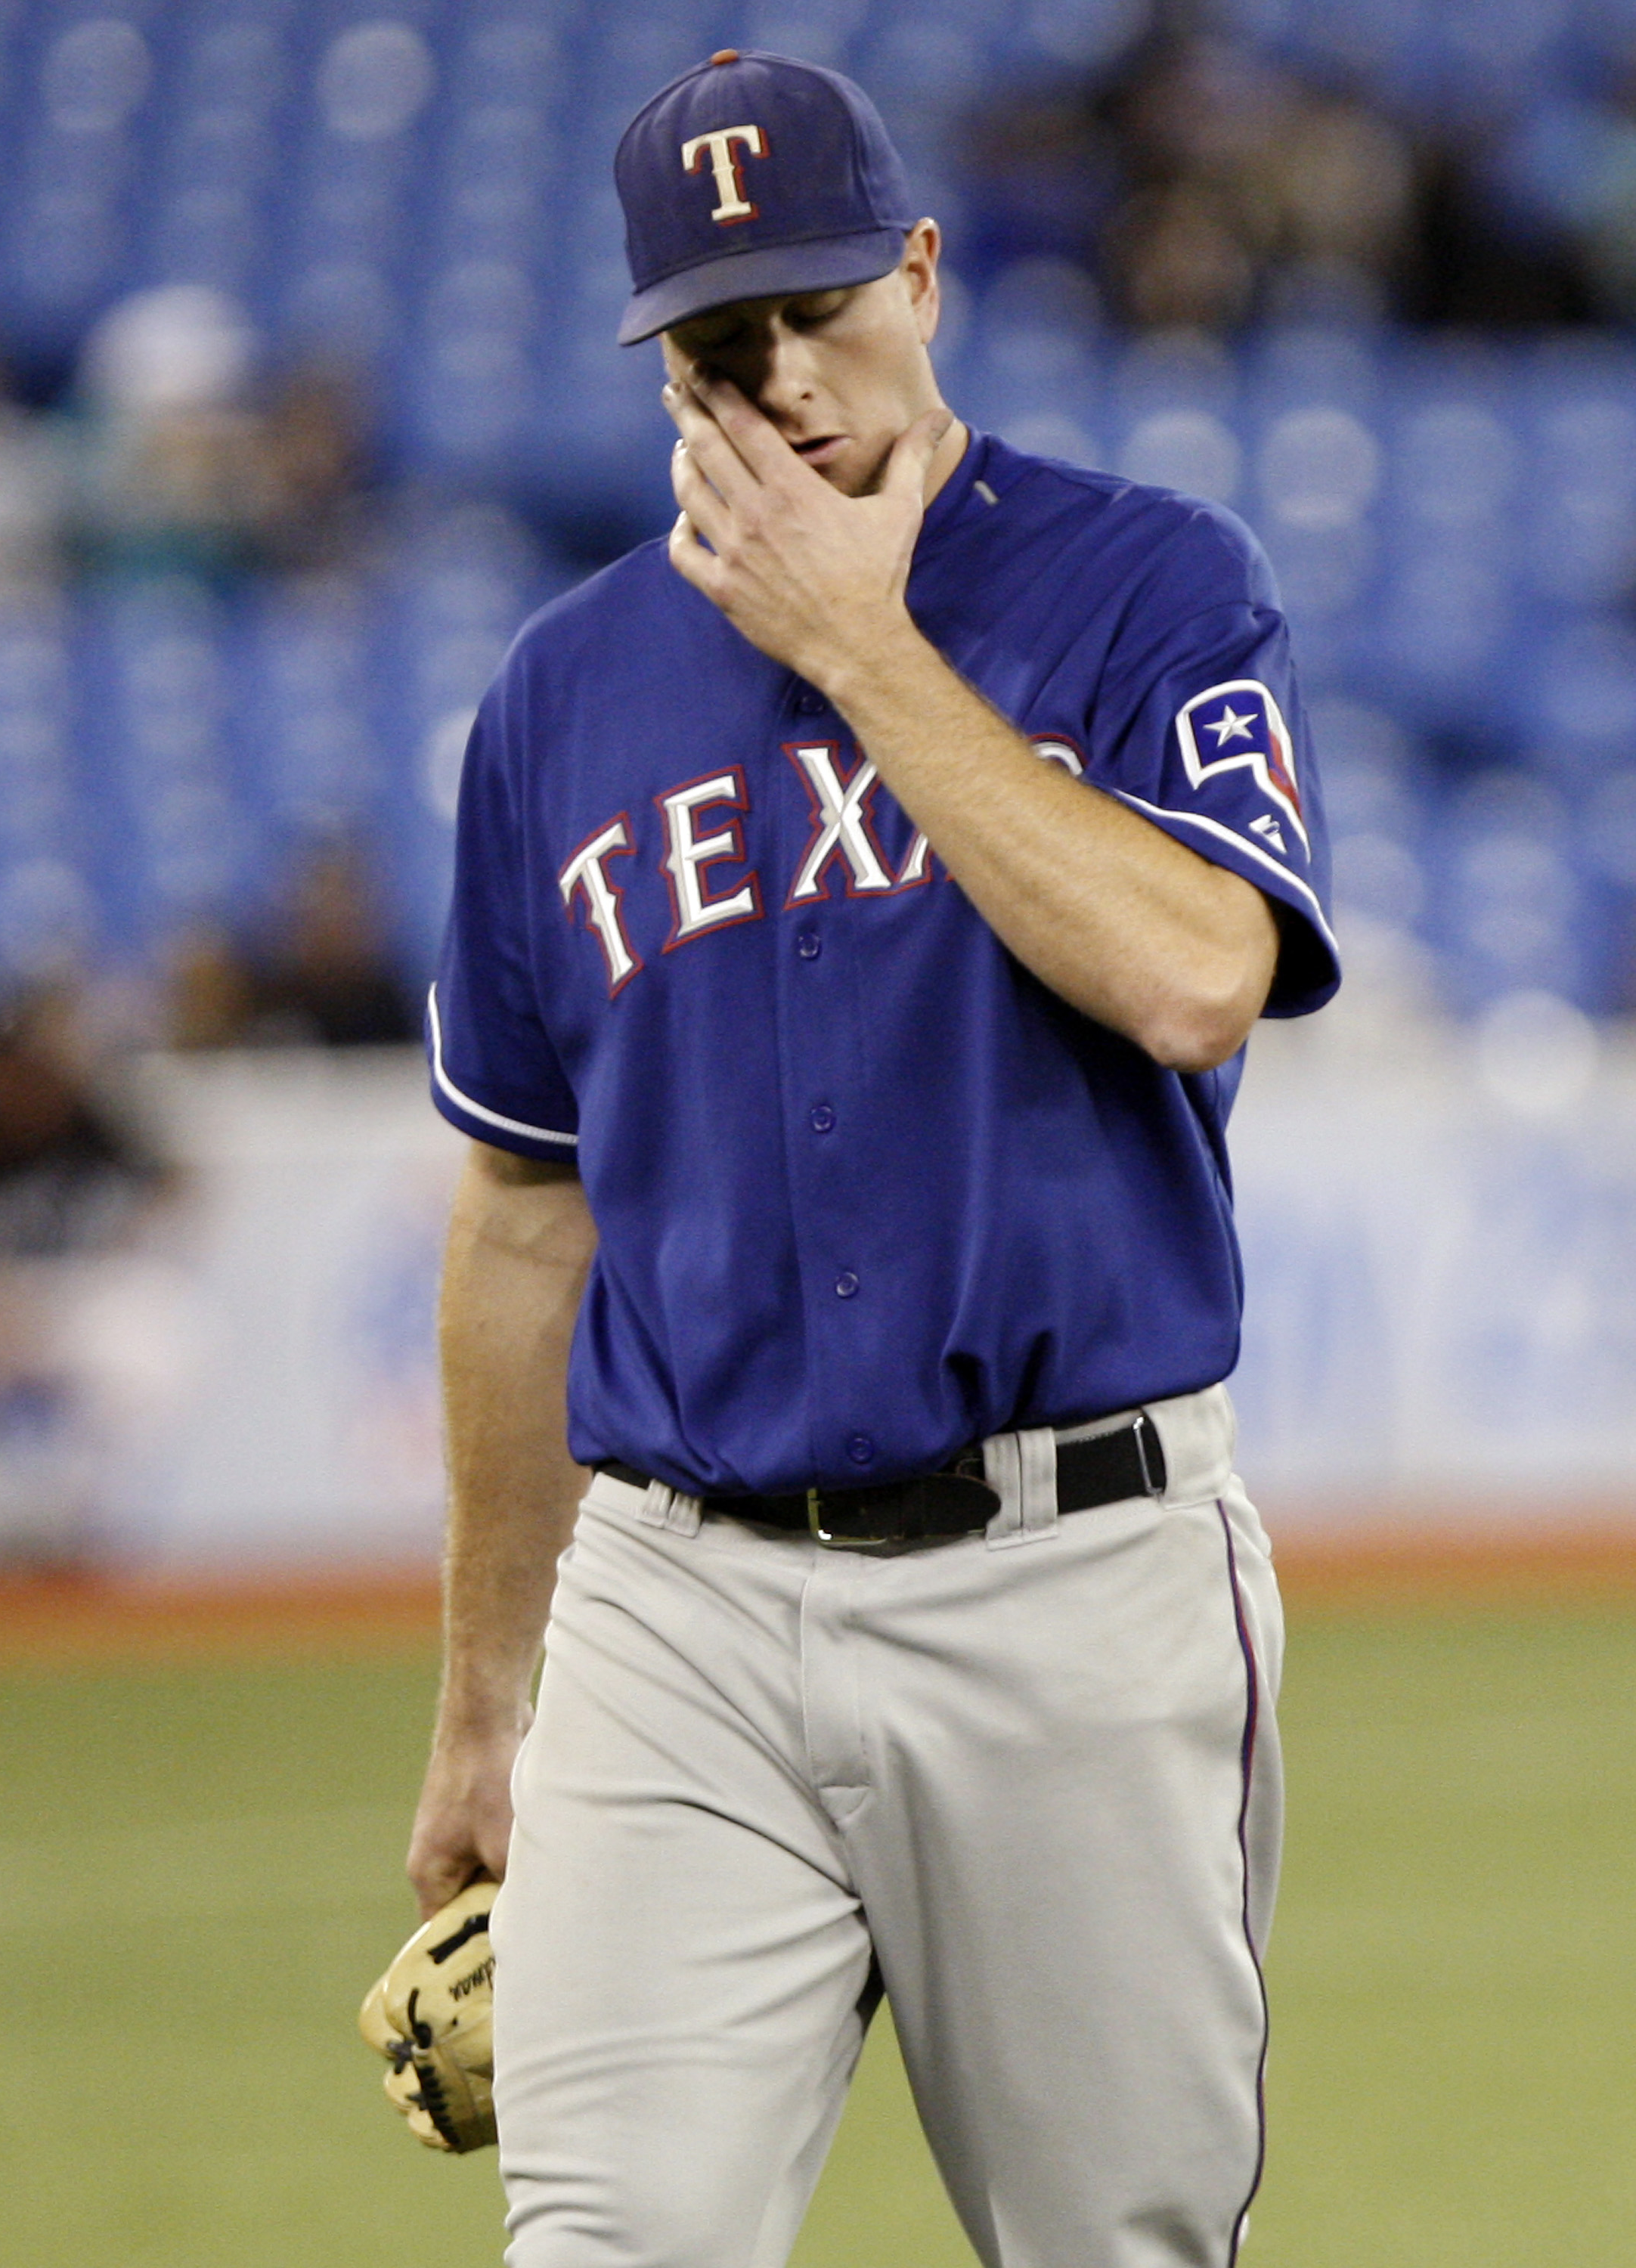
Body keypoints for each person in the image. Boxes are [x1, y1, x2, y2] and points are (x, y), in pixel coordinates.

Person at [407, 48, 1340, 2268]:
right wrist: (482, 1699)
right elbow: (522, 1216)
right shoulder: (560, 698)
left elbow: (1196, 972)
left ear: (922, 275)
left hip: (1072, 1574)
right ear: (660, 369)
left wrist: (859, 639)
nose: (787, 377)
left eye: (824, 305)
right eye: (725, 349)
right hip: (681, 1603)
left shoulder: (1137, 588)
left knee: (1111, 2245)